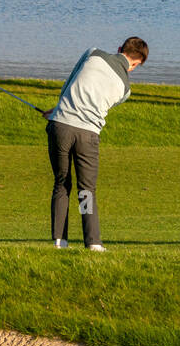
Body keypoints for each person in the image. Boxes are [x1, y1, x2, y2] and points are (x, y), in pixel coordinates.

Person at [43, 37, 148, 251]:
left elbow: (70, 83)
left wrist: (57, 109)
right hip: (88, 135)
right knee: (86, 190)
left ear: (120, 49)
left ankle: (59, 241)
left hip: (60, 126)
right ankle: (93, 242)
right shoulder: (126, 90)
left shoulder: (93, 53)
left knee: (61, 183)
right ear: (136, 64)